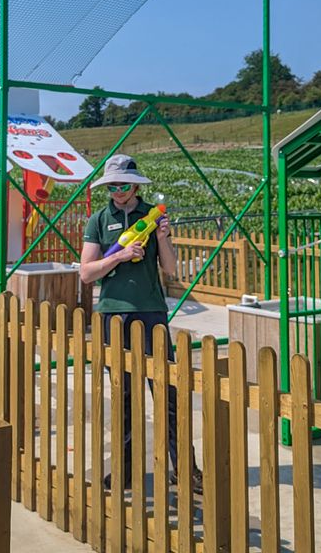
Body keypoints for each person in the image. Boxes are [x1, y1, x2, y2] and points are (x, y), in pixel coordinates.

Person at [80, 154, 202, 494]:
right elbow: (86, 273)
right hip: (113, 314)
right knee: (125, 396)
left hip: (151, 313)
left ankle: (185, 469)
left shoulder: (152, 217)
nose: (119, 192)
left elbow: (171, 269)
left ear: (136, 184)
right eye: (113, 185)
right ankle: (125, 470)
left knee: (168, 393)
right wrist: (119, 254)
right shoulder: (98, 220)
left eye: (124, 185)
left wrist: (161, 238)